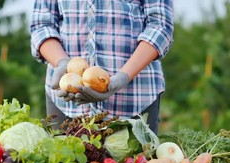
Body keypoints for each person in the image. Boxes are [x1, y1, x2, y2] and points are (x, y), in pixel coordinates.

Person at [30, 0, 174, 134]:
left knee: (139, 161)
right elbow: (42, 25)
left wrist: (123, 77)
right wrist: (62, 63)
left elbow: (160, 26)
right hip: (65, 106)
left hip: (134, 101)